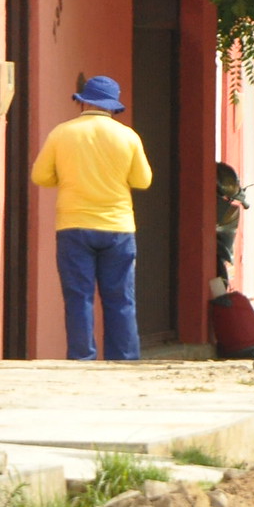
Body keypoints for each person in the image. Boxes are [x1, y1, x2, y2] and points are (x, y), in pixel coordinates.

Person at [31, 75, 152, 361]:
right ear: (113, 106)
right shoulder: (128, 136)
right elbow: (143, 180)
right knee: (121, 298)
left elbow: (40, 176)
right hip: (118, 228)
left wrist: (68, 175)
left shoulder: (62, 133)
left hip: (74, 226)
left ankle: (82, 359)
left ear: (83, 101)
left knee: (79, 297)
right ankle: (124, 358)